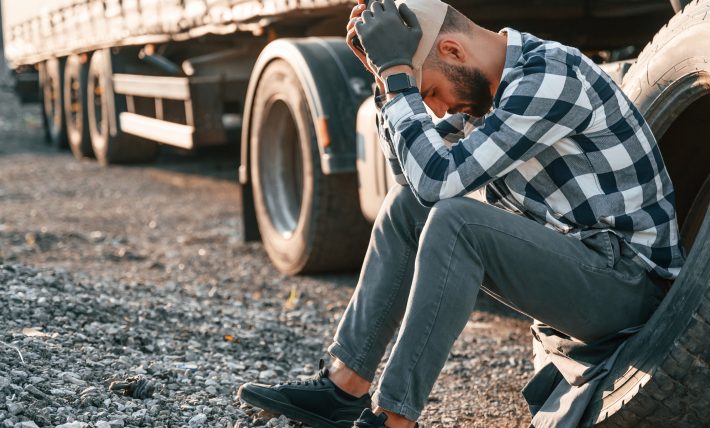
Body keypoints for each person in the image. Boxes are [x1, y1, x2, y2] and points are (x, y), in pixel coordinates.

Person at [237, 0, 684, 426]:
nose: (435, 108)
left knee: (458, 222)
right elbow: (411, 181)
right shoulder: (482, 87)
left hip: (629, 287)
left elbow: (437, 182)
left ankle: (395, 417)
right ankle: (344, 387)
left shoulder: (548, 77)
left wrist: (399, 78)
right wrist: (382, 76)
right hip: (583, 268)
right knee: (407, 208)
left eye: (430, 91)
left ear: (452, 50)